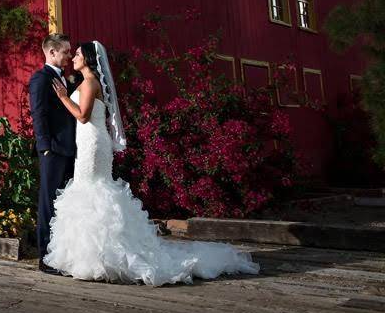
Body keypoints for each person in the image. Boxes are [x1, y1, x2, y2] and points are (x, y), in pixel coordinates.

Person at [43, 41, 261, 286]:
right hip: (91, 142)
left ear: (89, 59)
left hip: (92, 142)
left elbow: (82, 115)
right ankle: (94, 256)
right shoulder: (87, 83)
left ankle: (97, 259)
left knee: (92, 190)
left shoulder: (91, 82)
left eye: (79, 54)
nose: (73, 57)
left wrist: (63, 97)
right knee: (94, 190)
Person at [28, 32, 82, 274]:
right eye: (66, 51)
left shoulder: (67, 78)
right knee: (48, 203)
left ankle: (63, 254)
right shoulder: (40, 79)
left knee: (66, 203)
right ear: (51, 52)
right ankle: (45, 258)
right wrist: (46, 147)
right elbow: (38, 114)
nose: (69, 56)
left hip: (70, 148)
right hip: (53, 150)